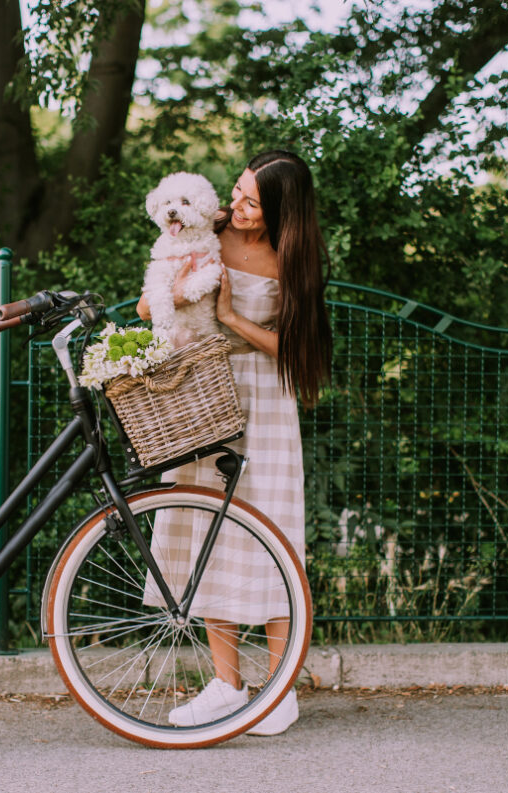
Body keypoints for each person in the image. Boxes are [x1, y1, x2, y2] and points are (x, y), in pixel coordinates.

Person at [135, 149, 332, 736]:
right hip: (204, 395)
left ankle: (279, 688)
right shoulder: (209, 229)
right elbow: (151, 303)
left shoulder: (297, 258)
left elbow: (302, 355)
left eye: (252, 202)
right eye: (238, 193)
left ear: (282, 210)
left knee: (271, 536)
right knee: (207, 532)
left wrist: (232, 317)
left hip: (266, 400)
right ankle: (227, 685)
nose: (236, 207)